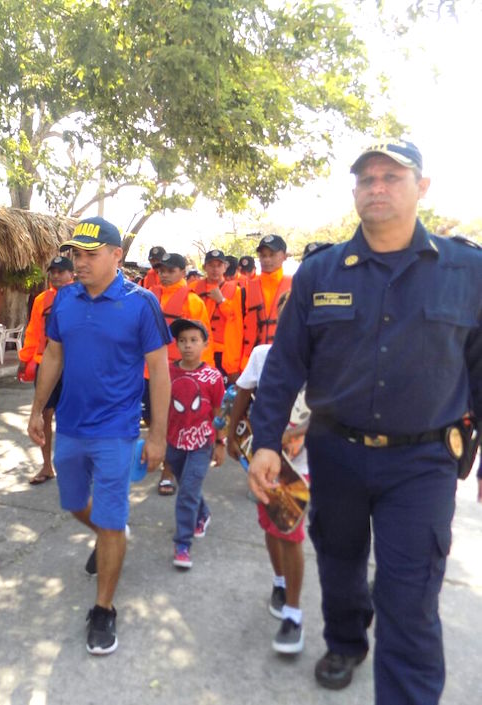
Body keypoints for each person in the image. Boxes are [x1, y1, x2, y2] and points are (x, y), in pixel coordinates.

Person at [247, 140, 482, 703]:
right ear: (354, 191)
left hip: (422, 460)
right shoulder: (319, 272)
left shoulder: (467, 270)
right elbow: (284, 365)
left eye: (391, 177)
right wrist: (265, 442)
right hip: (337, 451)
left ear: (421, 187)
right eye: (366, 178)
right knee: (340, 559)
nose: (377, 187)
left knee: (410, 596)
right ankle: (347, 641)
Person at [27, 216, 170, 656]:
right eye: (76, 254)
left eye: (91, 254)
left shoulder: (141, 303)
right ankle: (112, 532)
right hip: (70, 424)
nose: (81, 262)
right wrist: (37, 408)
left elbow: (160, 371)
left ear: (116, 256)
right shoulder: (64, 301)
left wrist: (158, 435)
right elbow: (53, 354)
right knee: (74, 504)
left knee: (109, 519)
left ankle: (104, 608)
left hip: (116, 429)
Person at [227, 290, 308, 655]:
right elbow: (243, 395)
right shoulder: (263, 355)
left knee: (289, 531)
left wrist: (299, 433)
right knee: (273, 527)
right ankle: (279, 582)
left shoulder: (330, 357)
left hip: (309, 463)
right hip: (269, 458)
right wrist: (230, 435)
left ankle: (293, 613)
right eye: (286, 311)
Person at [164, 319, 225, 570]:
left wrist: (221, 442)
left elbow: (220, 412)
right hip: (174, 442)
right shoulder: (167, 371)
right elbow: (160, 404)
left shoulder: (213, 377)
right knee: (186, 485)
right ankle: (203, 514)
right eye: (182, 341)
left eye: (193, 340)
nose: (187, 346)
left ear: (205, 344)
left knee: (187, 491)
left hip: (202, 443)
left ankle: (183, 545)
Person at [149, 251, 212, 497]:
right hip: (147, 370)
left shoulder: (193, 302)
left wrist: (201, 375)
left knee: (173, 422)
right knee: (153, 419)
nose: (164, 275)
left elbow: (204, 341)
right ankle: (162, 457)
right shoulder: (148, 296)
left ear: (182, 272)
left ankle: (169, 472)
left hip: (178, 373)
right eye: (161, 270)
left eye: (170, 270)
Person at [18, 255, 75, 485]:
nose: (56, 276)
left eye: (61, 272)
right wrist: (25, 358)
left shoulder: (82, 296)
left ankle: (72, 466)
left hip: (73, 366)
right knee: (44, 415)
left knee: (70, 418)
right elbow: (33, 331)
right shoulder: (42, 299)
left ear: (72, 274)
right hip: (45, 363)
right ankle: (46, 466)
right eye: (52, 271)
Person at [240, 234, 292, 373]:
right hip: (253, 362)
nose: (267, 260)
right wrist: (234, 366)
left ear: (285, 256)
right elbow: (235, 330)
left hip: (287, 359)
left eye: (272, 255)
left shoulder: (296, 286)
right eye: (263, 255)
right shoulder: (246, 289)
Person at [190, 249, 243, 382]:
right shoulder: (193, 288)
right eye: (211, 265)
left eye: (219, 265)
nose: (215, 269)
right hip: (197, 348)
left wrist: (222, 301)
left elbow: (236, 320)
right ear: (204, 267)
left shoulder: (236, 291)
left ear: (225, 267)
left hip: (223, 352)